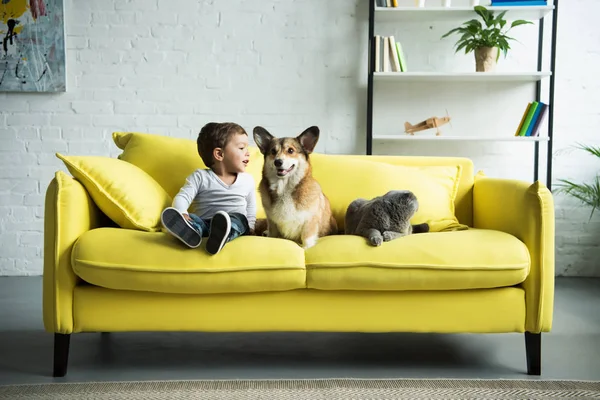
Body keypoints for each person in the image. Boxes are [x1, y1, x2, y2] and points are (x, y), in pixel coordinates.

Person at [161, 122, 256, 255]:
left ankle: (224, 234)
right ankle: (192, 231)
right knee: (194, 219)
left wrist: (251, 227)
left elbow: (251, 208)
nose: (248, 153)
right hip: (206, 224)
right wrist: (182, 212)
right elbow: (183, 197)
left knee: (240, 219)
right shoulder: (201, 176)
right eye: (241, 148)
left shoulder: (247, 180)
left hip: (235, 223)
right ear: (219, 154)